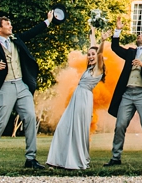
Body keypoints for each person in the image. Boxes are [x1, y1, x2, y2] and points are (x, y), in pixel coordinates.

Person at [0, 11, 55, 172]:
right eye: (7, 24)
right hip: (5, 87)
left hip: (22, 85)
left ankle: (30, 158)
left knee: (30, 117)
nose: (10, 26)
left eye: (10, 24)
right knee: (0, 123)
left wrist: (48, 21)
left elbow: (32, 32)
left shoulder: (16, 39)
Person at [45, 23, 106, 170]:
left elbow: (99, 53)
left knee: (78, 129)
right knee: (63, 127)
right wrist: (93, 30)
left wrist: (102, 41)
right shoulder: (89, 68)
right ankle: (58, 160)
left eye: (93, 55)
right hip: (76, 97)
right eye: (89, 54)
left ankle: (76, 161)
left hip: (84, 99)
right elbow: (93, 47)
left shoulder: (98, 70)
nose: (91, 56)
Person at [105, 16, 142, 169]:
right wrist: (117, 30)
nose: (139, 35)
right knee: (120, 124)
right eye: (139, 35)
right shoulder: (130, 52)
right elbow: (115, 48)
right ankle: (116, 157)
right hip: (128, 94)